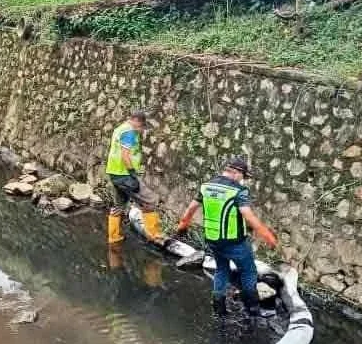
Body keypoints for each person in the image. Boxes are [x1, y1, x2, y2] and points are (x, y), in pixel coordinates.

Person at [174, 157, 279, 321]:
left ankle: (219, 308)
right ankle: (252, 310)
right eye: (243, 176)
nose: (243, 180)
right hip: (235, 242)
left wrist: (182, 226)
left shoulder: (206, 187)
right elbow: (249, 217)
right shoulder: (238, 191)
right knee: (248, 272)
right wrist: (268, 237)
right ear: (237, 173)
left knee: (222, 270)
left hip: (212, 239)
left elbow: (191, 209)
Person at [105, 111, 165, 245]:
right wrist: (132, 172)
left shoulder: (120, 128)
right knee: (149, 201)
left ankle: (114, 237)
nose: (141, 130)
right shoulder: (130, 132)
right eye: (142, 127)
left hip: (115, 174)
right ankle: (155, 236)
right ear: (137, 121)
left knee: (119, 205)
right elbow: (125, 155)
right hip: (125, 175)